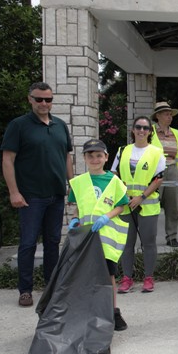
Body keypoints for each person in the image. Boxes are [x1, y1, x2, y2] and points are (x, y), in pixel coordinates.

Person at [1, 82, 73, 307]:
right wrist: (14, 192)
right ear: (30, 99)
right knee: (28, 243)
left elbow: (67, 157)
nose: (44, 103)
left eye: (48, 100)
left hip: (56, 195)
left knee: (53, 242)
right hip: (30, 196)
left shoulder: (60, 125)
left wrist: (73, 186)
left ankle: (51, 287)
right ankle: (25, 290)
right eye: (39, 99)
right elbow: (8, 159)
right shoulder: (19, 125)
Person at [68, 139, 130, 331]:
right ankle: (90, 311)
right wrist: (75, 219)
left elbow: (121, 205)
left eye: (98, 155)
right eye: (90, 156)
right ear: (84, 158)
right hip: (86, 239)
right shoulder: (78, 183)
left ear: (106, 157)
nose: (94, 159)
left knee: (108, 276)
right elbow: (77, 207)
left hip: (106, 239)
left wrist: (107, 216)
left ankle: (113, 312)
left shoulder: (114, 181)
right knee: (87, 276)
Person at [112, 116, 165, 293]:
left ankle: (148, 278)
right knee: (127, 244)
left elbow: (158, 179)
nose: (141, 131)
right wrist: (122, 194)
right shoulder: (122, 150)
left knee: (148, 243)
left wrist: (141, 197)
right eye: (138, 127)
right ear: (133, 130)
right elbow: (114, 174)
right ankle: (127, 278)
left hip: (147, 204)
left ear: (150, 132)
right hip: (126, 204)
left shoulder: (157, 152)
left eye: (145, 128)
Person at [150, 101, 178, 247]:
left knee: (173, 206)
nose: (169, 117)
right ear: (158, 116)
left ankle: (172, 237)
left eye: (170, 114)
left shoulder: (175, 132)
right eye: (166, 114)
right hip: (155, 171)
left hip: (172, 171)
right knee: (152, 205)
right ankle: (149, 236)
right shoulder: (149, 131)